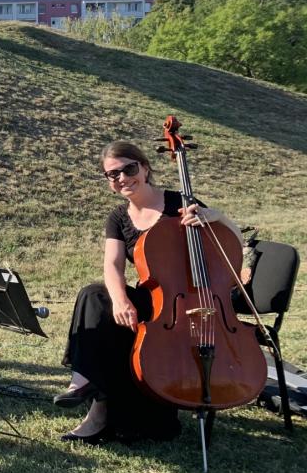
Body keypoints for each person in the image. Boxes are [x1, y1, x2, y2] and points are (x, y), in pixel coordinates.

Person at [56, 140, 242, 443]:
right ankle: (84, 384)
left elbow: (233, 242)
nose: (122, 178)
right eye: (112, 174)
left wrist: (217, 216)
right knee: (93, 295)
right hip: (152, 301)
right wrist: (120, 301)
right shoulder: (118, 218)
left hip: (187, 306)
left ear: (144, 168)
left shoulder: (179, 201)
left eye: (129, 169)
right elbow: (112, 265)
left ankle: (105, 410)